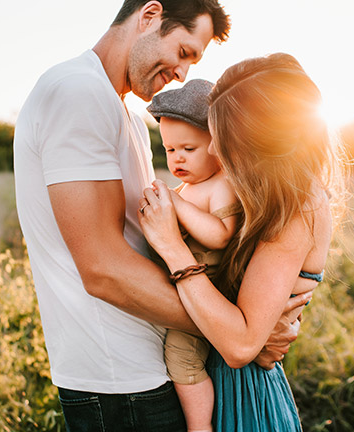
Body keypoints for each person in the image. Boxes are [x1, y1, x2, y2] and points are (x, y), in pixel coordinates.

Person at [13, 1, 311, 431]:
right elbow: (102, 269)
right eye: (185, 52)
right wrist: (241, 332)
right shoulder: (78, 92)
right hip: (120, 377)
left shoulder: (127, 115)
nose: (183, 73)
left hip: (153, 363)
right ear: (150, 15)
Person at [139, 53, 347, 431]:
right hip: (215, 375)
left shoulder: (298, 206)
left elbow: (239, 345)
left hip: (243, 395)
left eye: (223, 141)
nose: (214, 152)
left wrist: (173, 248)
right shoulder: (263, 196)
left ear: (259, 142)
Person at [147, 78, 240, 432]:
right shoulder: (188, 187)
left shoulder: (221, 184)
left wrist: (176, 203)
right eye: (170, 150)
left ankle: (200, 427)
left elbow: (220, 235)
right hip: (184, 291)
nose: (178, 158)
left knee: (182, 358)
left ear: (217, 145)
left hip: (211, 296)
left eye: (188, 148)